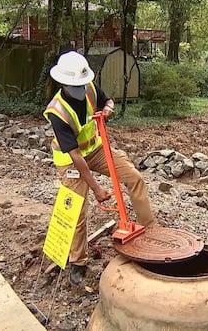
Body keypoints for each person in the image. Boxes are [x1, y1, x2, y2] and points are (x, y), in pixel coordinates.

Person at [43, 50, 158, 285]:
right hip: (72, 161)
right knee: (76, 210)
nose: (81, 89)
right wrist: (96, 188)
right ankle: (78, 262)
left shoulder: (90, 88)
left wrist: (109, 108)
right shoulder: (57, 112)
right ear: (63, 83)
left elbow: (107, 100)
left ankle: (151, 228)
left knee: (133, 177)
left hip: (96, 150)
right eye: (75, 85)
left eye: (83, 84)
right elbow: (75, 156)